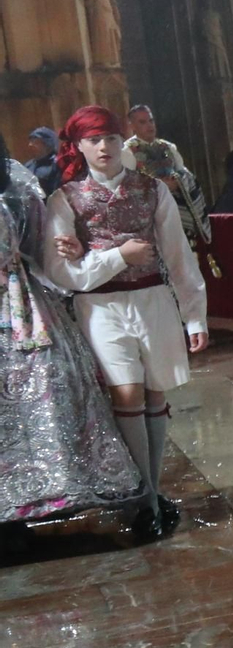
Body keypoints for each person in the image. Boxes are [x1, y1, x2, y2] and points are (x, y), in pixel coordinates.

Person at [40, 105, 208, 539]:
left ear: (122, 142)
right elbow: (62, 274)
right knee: (127, 389)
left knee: (154, 389)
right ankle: (144, 497)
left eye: (111, 138)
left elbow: (178, 257)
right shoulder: (66, 199)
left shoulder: (152, 191)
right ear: (78, 146)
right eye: (94, 139)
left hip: (152, 299)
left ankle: (150, 490)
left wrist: (194, 316)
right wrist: (118, 256)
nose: (104, 147)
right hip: (100, 307)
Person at [1, 146, 144, 540]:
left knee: (53, 384)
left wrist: (75, 249)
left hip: (21, 306)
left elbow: (40, 250)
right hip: (18, 306)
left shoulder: (16, 188)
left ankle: (51, 491)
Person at [122, 105, 212, 257]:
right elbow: (127, 187)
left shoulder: (168, 147)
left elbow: (185, 174)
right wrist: (160, 186)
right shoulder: (127, 152)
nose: (149, 126)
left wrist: (179, 182)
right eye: (143, 122)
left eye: (151, 121)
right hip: (151, 219)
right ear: (132, 126)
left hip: (176, 213)